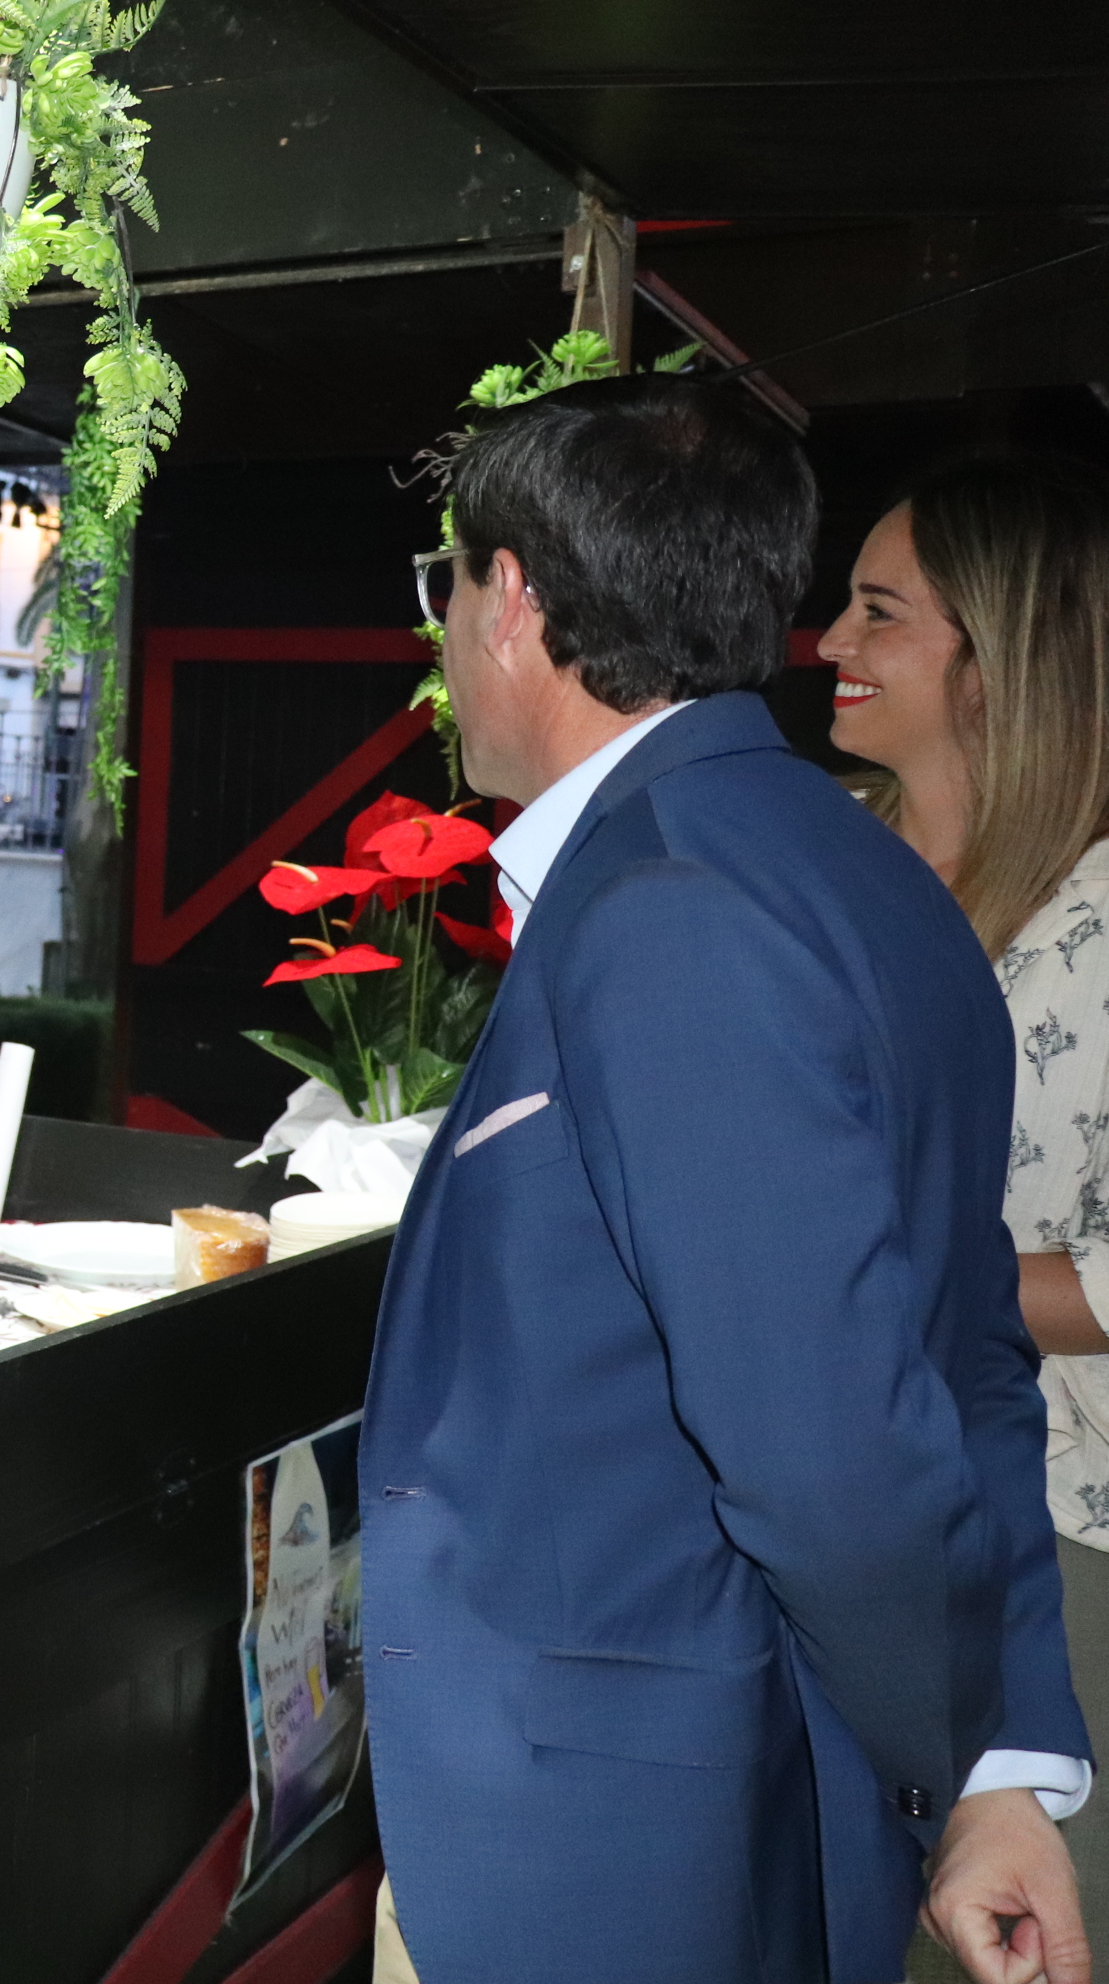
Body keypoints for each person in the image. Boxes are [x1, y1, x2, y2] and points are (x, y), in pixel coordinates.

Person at [364, 375, 1088, 1984]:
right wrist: (998, 1761)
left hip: (605, 1850)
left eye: (446, 583)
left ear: (515, 600)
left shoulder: (672, 903)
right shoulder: (872, 877)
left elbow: (827, 1450)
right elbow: (967, 1354)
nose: (443, 629)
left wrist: (954, 1774)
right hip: (740, 1791)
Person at [821, 453, 1109, 1969]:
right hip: (846, 1515)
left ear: (998, 659)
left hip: (1056, 1548)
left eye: (880, 612)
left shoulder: (1101, 916)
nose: (831, 641)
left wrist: (903, 1280)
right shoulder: (830, 861)